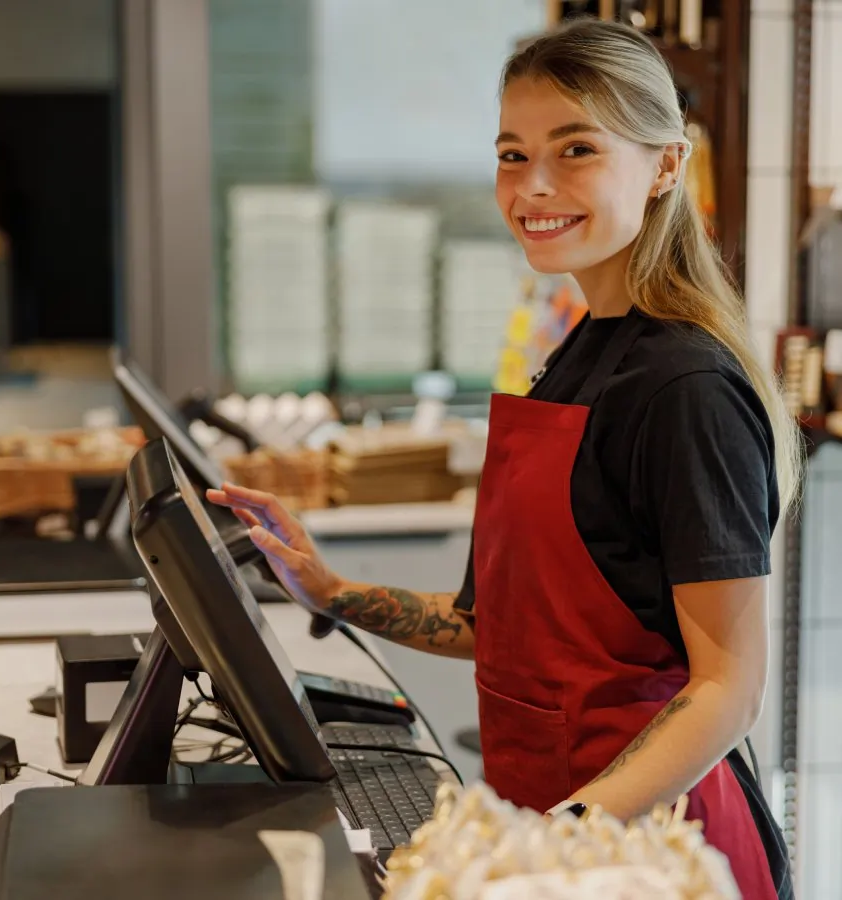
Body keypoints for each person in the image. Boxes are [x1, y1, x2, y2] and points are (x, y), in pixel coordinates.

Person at [208, 18, 797, 899]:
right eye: (513, 155)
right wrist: (331, 592)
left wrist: (556, 846)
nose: (535, 186)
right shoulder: (577, 358)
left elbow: (728, 690)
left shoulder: (684, 389)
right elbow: (506, 635)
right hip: (552, 832)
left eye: (576, 149)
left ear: (666, 167)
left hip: (651, 849)